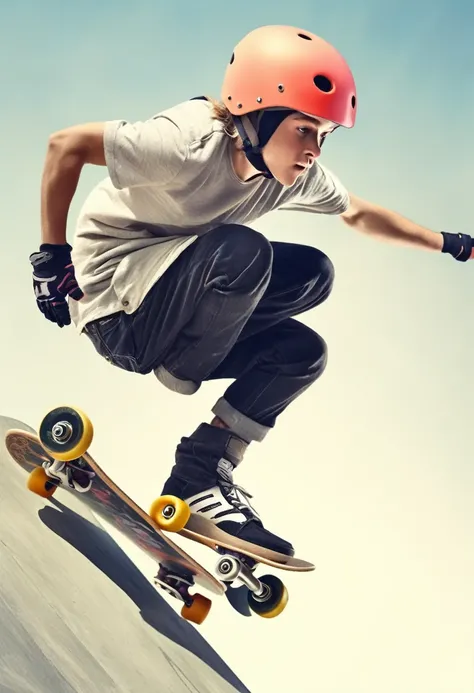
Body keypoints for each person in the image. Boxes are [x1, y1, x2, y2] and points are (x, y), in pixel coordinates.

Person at [30, 25, 473, 558]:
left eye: (324, 137)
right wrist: (51, 260)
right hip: (119, 313)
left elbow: (359, 213)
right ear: (257, 117)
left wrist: (454, 244)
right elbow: (65, 146)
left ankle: (198, 477)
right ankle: (182, 364)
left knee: (306, 325)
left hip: (183, 302)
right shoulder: (186, 141)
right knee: (243, 253)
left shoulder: (295, 174)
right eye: (304, 131)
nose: (313, 151)